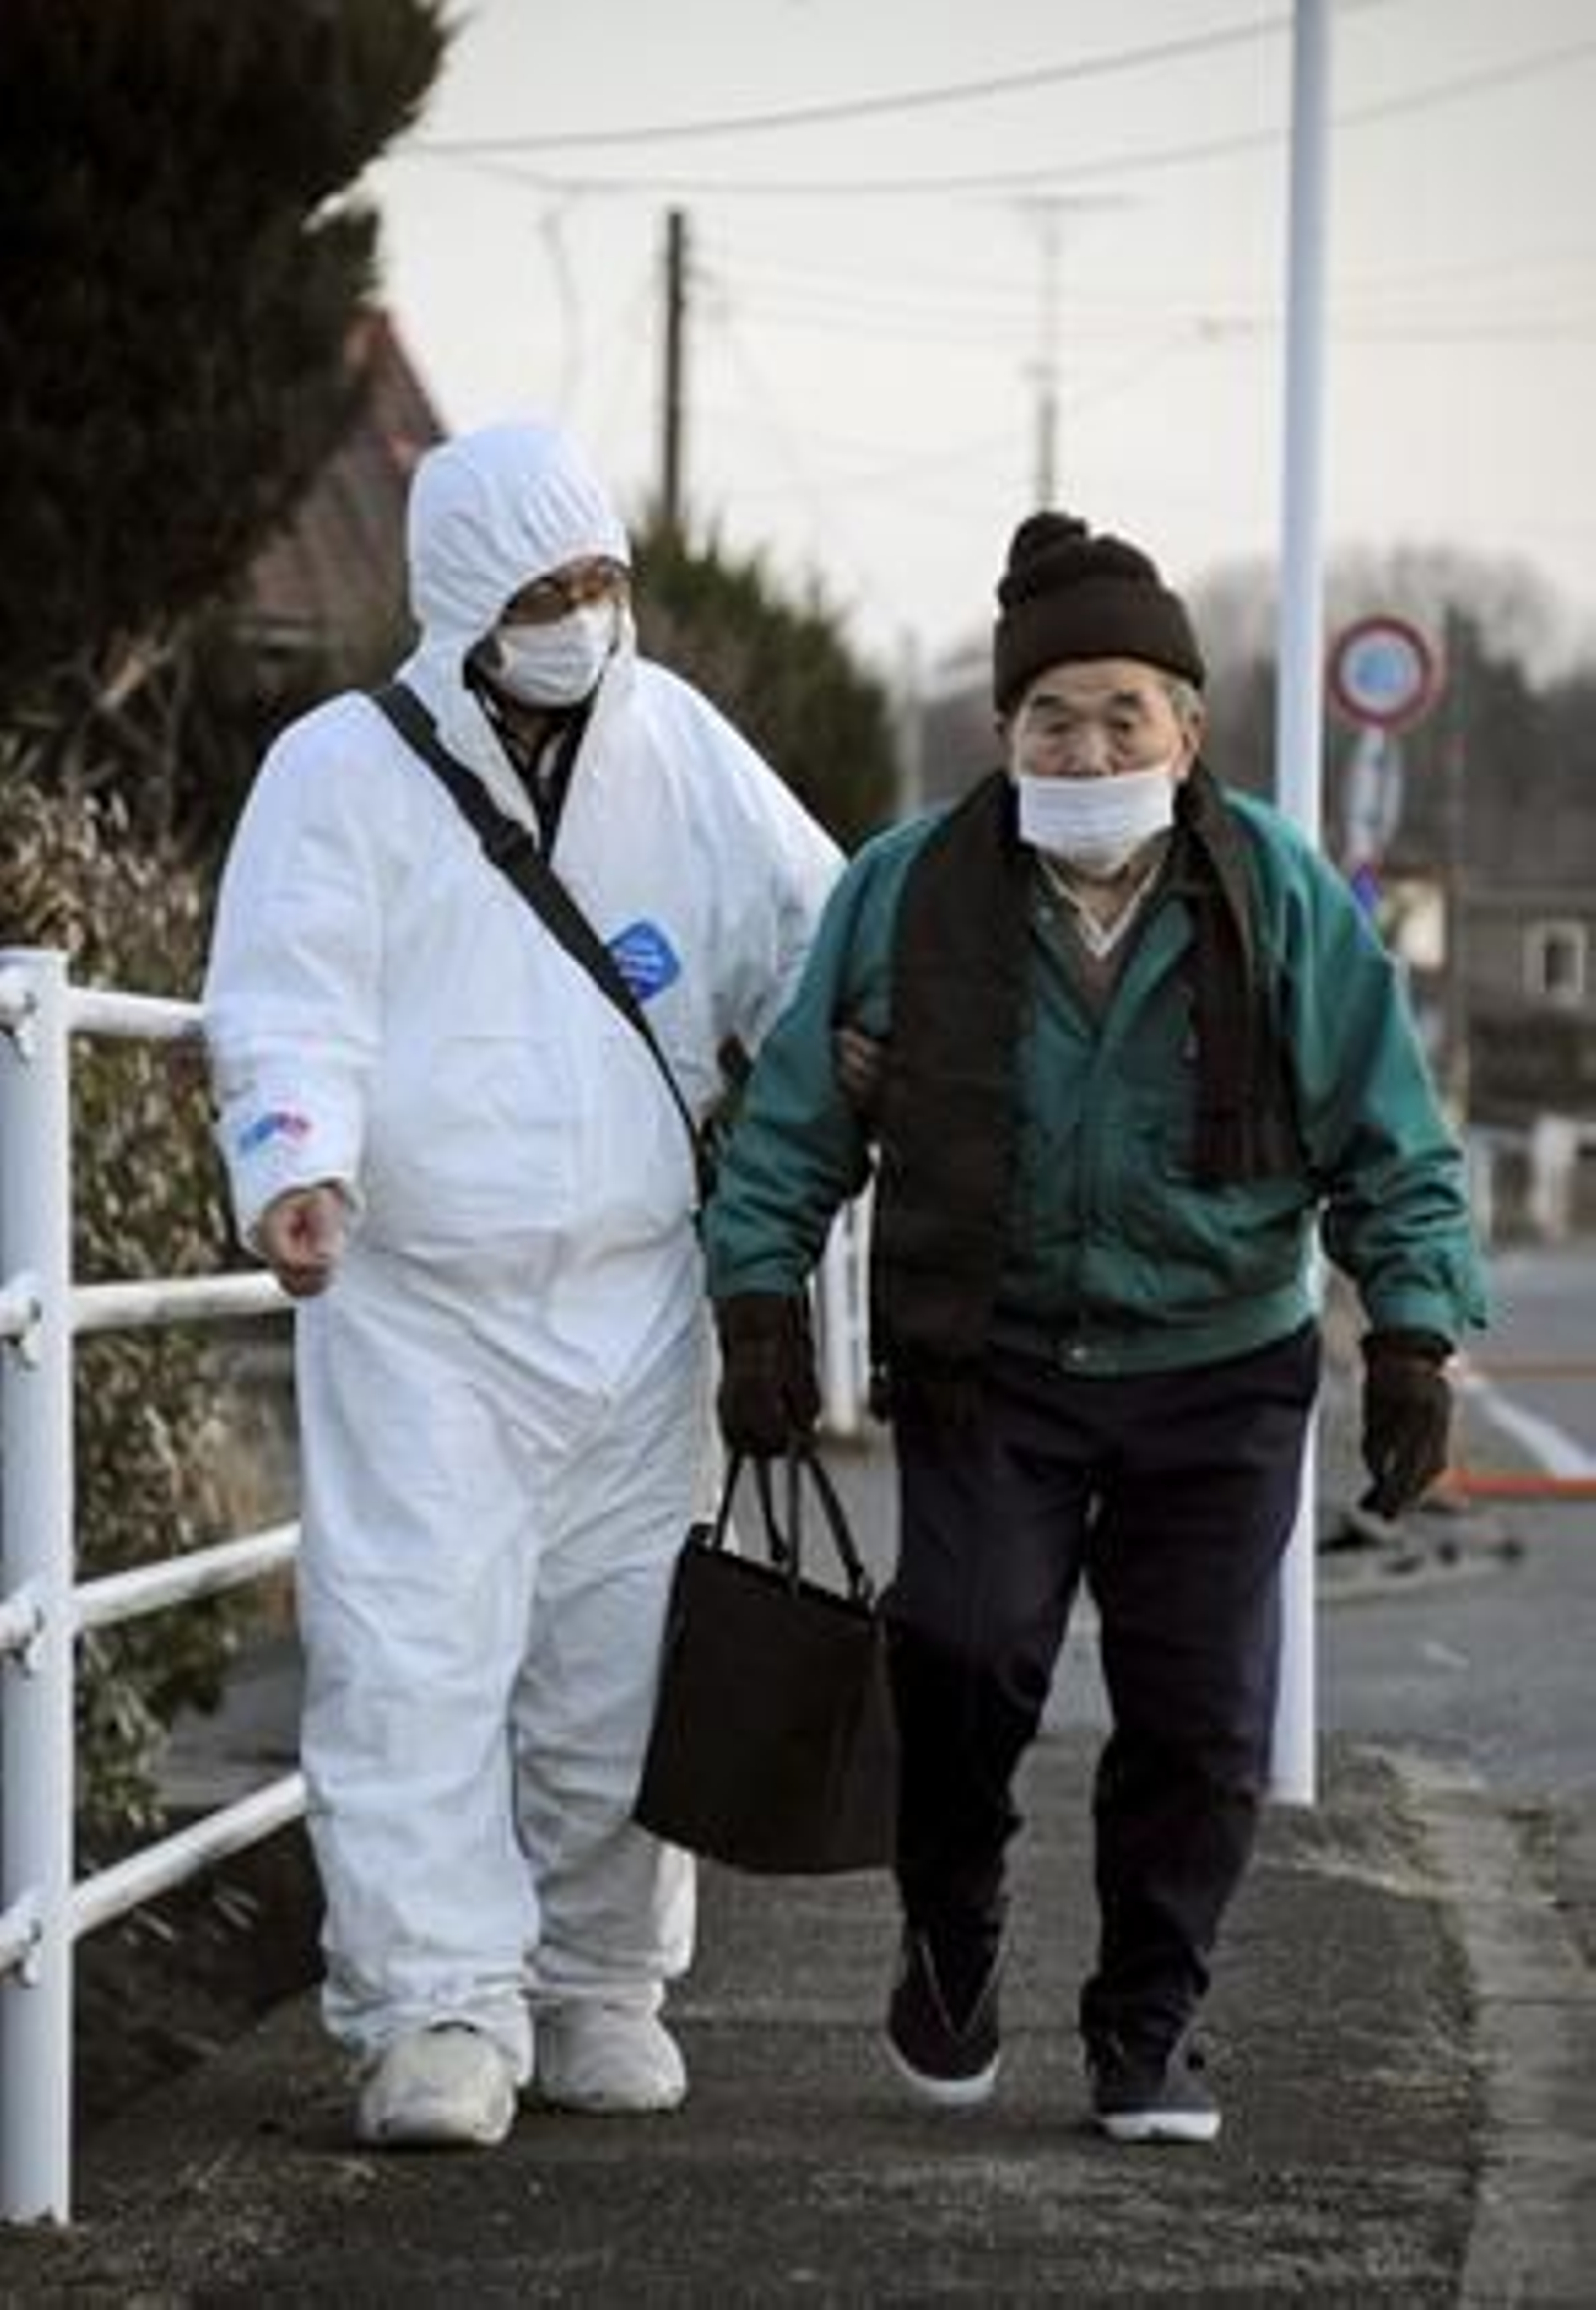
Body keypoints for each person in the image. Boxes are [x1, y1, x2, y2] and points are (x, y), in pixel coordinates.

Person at [704, 509, 1487, 2146]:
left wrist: (1414, 1332)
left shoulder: (1272, 888)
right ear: (1004, 733)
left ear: (1188, 729)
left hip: (1220, 1366)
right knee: (967, 1656)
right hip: (988, 1356)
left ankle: (1149, 2024)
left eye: (1128, 709)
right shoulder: (907, 891)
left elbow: (1389, 1132)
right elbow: (793, 1121)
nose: (1091, 739)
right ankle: (956, 1916)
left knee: (1202, 1718)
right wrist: (759, 1296)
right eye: (1054, 713)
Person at [204, 419, 841, 2150]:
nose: (584, 616)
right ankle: (432, 2010)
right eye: (548, 589)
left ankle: (594, 1987)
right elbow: (287, 989)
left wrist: (840, 1117)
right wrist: (295, 1159)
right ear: (463, 598)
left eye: (603, 582)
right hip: (419, 1305)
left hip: (637, 1306)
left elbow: (813, 941)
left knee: (621, 1664)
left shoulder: (682, 748)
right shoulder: (340, 771)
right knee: (409, 1657)